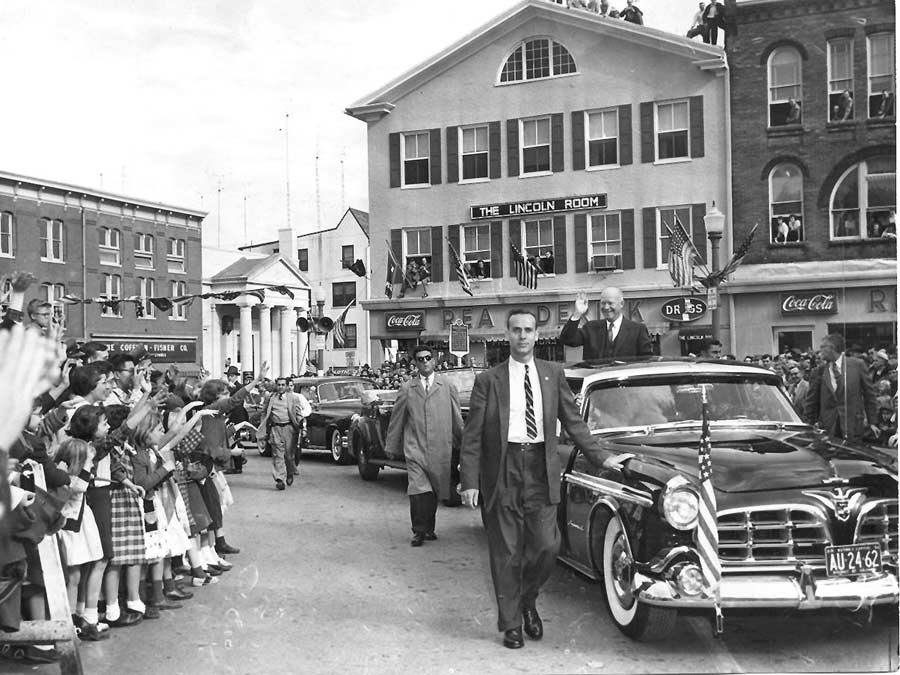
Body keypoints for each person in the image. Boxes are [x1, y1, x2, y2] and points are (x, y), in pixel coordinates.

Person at [459, 310, 621, 649]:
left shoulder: (552, 373)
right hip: (502, 470)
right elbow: (472, 437)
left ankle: (527, 599)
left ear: (536, 335)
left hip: (540, 468)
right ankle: (511, 624)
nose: (522, 336)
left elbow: (574, 422)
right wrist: (470, 481)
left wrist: (602, 456)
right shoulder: (489, 380)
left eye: (528, 330)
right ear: (508, 335)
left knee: (548, 545)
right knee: (505, 552)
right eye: (516, 330)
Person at [383, 345, 463, 547]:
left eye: (428, 358)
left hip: (440, 448)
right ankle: (418, 530)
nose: (425, 361)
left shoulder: (447, 386)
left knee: (433, 491)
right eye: (420, 359)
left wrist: (465, 446)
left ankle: (429, 528)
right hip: (415, 447)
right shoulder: (407, 388)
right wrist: (391, 446)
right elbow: (397, 420)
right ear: (415, 363)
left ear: (434, 361)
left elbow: (457, 419)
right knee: (418, 490)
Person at [803, 333, 879, 443]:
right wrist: (808, 425)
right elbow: (811, 402)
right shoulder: (818, 372)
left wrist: (872, 422)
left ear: (831, 348)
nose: (820, 352)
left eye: (822, 347)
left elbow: (869, 395)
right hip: (828, 428)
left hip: (853, 426)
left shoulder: (857, 365)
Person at [559, 287, 652, 359]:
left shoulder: (638, 330)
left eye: (610, 303)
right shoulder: (591, 328)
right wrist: (577, 314)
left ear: (621, 304)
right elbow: (567, 340)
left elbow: (646, 361)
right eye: (603, 303)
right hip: (597, 382)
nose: (606, 307)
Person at [256, 377, 311, 490]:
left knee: (289, 456)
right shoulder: (270, 398)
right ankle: (279, 479)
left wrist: (302, 426)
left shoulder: (294, 398)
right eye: (279, 385)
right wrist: (263, 427)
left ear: (286, 386)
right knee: (277, 454)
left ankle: (290, 472)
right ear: (276, 386)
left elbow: (298, 413)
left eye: (283, 385)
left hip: (289, 428)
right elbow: (264, 412)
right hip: (275, 429)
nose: (280, 387)